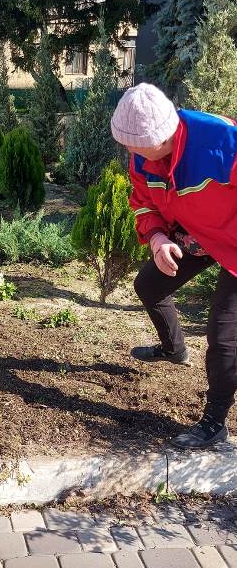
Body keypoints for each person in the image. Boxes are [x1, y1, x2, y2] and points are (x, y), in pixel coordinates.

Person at [110, 82, 237, 449]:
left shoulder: (222, 141)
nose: (132, 155)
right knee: (149, 286)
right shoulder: (141, 152)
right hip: (197, 234)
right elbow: (143, 201)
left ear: (163, 136)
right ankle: (174, 349)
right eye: (128, 145)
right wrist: (157, 238)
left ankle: (215, 421)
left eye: (136, 147)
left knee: (224, 335)